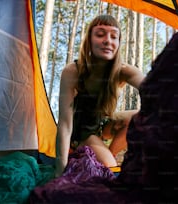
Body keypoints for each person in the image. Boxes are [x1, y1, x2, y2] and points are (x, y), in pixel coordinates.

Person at [54, 14, 145, 177]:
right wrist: (60, 169)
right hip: (82, 132)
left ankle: (105, 155)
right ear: (89, 39)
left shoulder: (123, 71)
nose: (108, 41)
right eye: (100, 34)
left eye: (114, 36)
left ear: (118, 43)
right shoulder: (73, 71)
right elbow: (65, 124)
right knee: (109, 169)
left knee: (139, 116)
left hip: (103, 124)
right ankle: (97, 155)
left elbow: (155, 90)